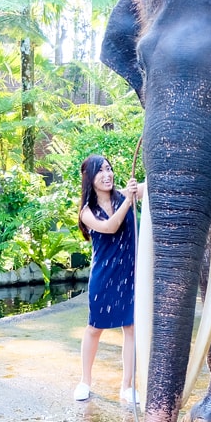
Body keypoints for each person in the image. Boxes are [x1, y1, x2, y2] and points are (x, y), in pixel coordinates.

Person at [73, 154, 144, 403]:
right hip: (103, 275)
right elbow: (111, 227)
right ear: (90, 179)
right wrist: (129, 199)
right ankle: (85, 381)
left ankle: (127, 386)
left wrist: (138, 189)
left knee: (131, 328)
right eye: (100, 171)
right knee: (95, 328)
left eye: (109, 169)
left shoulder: (125, 195)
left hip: (130, 274)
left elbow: (153, 187)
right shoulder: (87, 212)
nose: (107, 174)